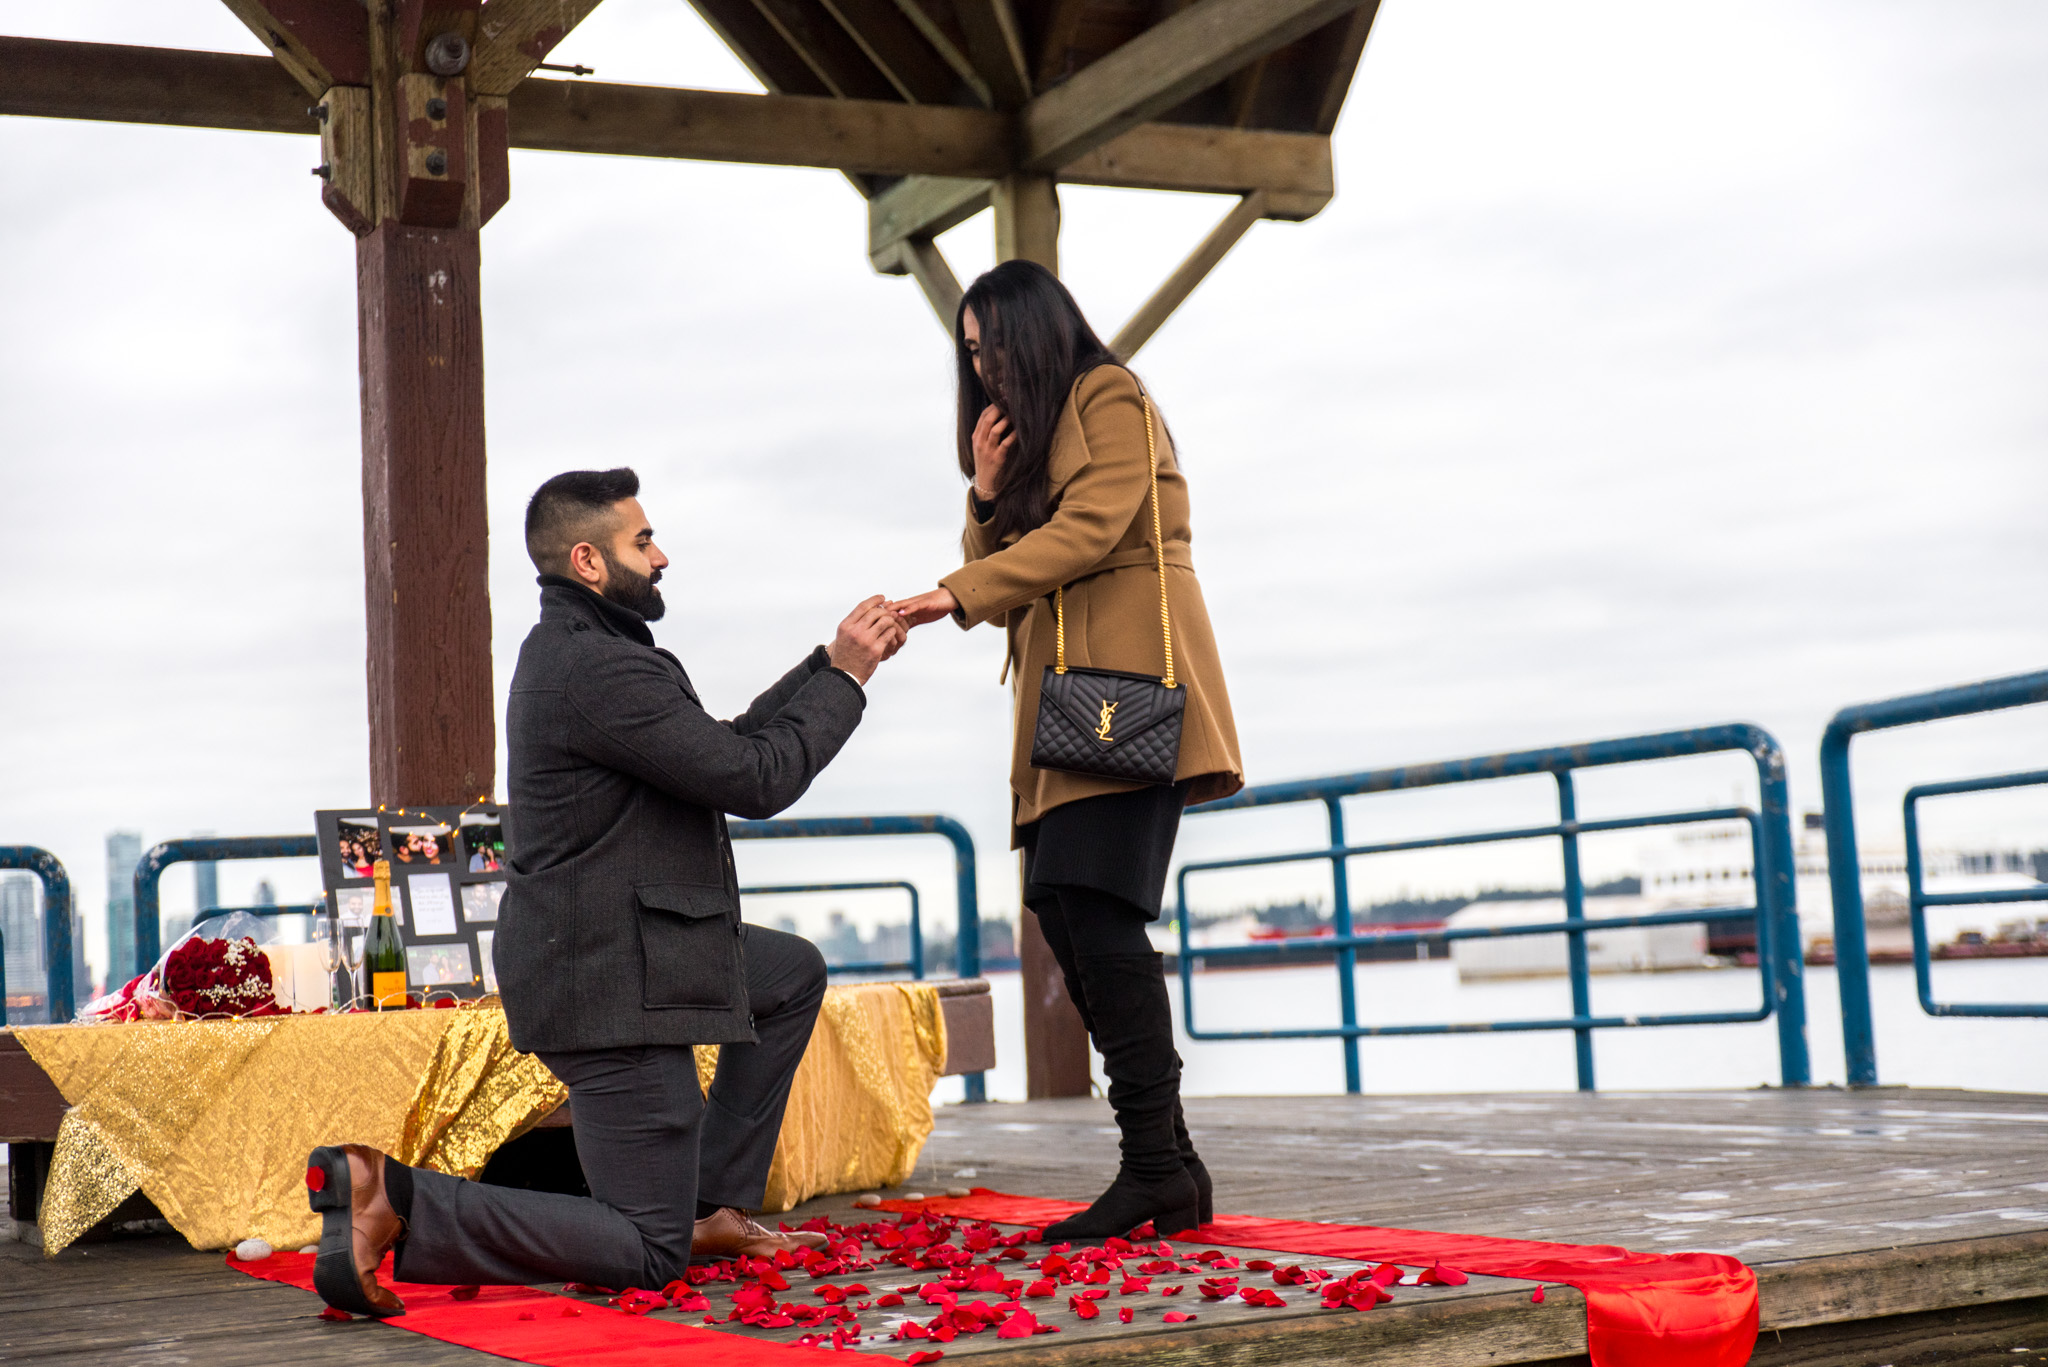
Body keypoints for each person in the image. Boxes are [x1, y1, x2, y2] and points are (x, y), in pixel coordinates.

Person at [307, 467, 905, 1316]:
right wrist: (847, 680)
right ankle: (394, 1196)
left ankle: (710, 1205)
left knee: (787, 974)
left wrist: (827, 664)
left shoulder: (598, 654)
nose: (662, 555)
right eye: (643, 540)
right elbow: (756, 776)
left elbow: (721, 745)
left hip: (629, 948)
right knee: (645, 1249)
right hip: (610, 978)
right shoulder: (593, 668)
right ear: (588, 560)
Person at [893, 260, 1243, 1242]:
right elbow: (1004, 561)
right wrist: (986, 487)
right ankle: (1166, 1164)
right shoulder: (1047, 432)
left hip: (1124, 697)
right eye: (968, 351)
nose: (983, 365)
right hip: (1070, 713)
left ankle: (1152, 1165)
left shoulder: (1109, 393)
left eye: (993, 341)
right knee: (1060, 905)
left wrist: (945, 593)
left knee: (1094, 909)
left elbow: (1091, 530)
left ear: (1037, 331)